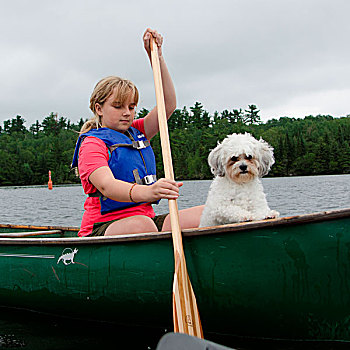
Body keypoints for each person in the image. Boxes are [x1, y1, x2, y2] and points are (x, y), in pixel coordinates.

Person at [72, 28, 204, 237]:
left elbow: (167, 104)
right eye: (118, 106)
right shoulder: (92, 144)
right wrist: (149, 191)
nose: (127, 113)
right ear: (99, 108)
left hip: (146, 221)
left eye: (131, 107)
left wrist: (156, 57)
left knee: (209, 214)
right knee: (142, 226)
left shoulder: (137, 131)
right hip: (104, 227)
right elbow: (107, 186)